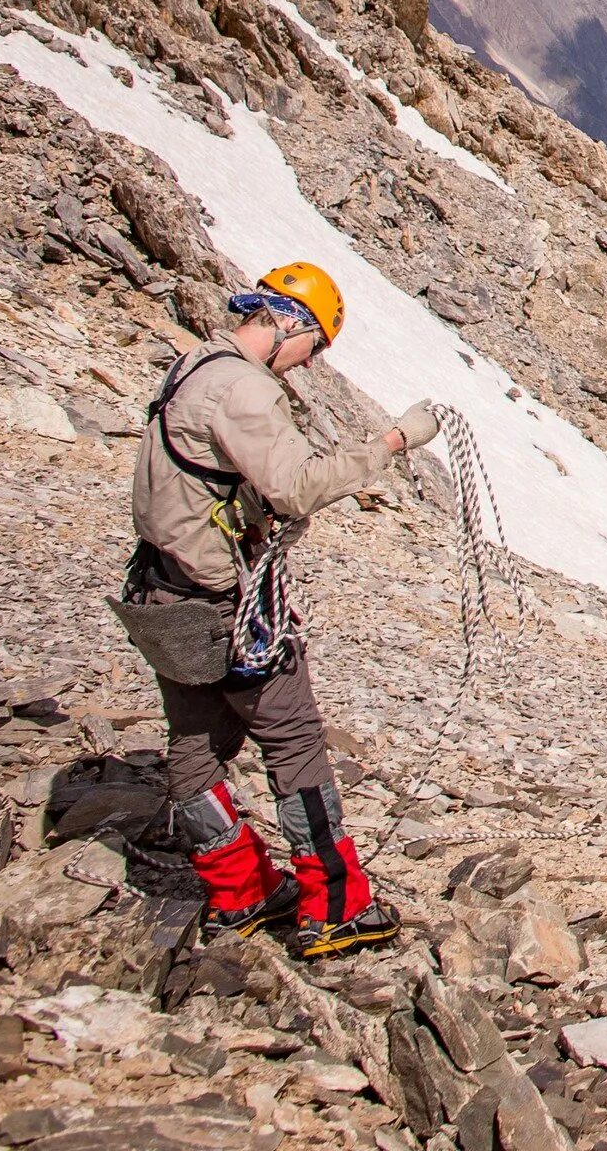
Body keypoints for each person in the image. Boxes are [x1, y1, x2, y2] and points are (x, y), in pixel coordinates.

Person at [126, 262, 439, 959]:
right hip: (224, 605)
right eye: (315, 346)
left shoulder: (194, 366)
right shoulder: (245, 391)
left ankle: (238, 893)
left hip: (162, 592)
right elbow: (298, 485)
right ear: (289, 325)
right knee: (294, 741)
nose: (310, 363)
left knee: (195, 744)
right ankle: (335, 905)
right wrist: (394, 441)